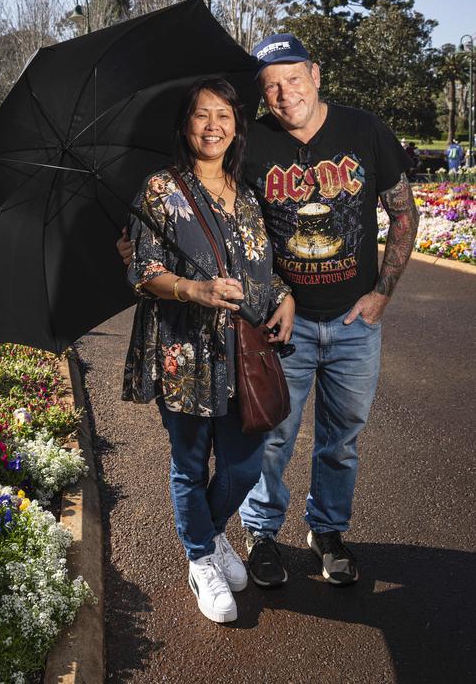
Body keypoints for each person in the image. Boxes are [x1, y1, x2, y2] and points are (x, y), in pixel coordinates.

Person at [118, 34, 419, 589]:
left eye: (293, 79)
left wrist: (380, 293)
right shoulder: (241, 150)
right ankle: (251, 536)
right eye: (270, 87)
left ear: (316, 74)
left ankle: (326, 531)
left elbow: (403, 213)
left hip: (352, 321)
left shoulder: (363, 130)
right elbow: (159, 241)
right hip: (269, 333)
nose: (284, 94)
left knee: (340, 438)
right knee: (267, 437)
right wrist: (181, 279)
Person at [124, 76, 295, 624]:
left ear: (237, 126)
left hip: (241, 353)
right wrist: (194, 289)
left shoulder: (245, 195)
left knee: (245, 465)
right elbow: (143, 269)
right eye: (202, 115)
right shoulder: (160, 190)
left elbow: (260, 268)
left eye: (224, 114)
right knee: (190, 465)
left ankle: (209, 533)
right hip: (185, 352)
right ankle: (200, 559)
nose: (214, 125)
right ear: (185, 125)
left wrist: (284, 296)